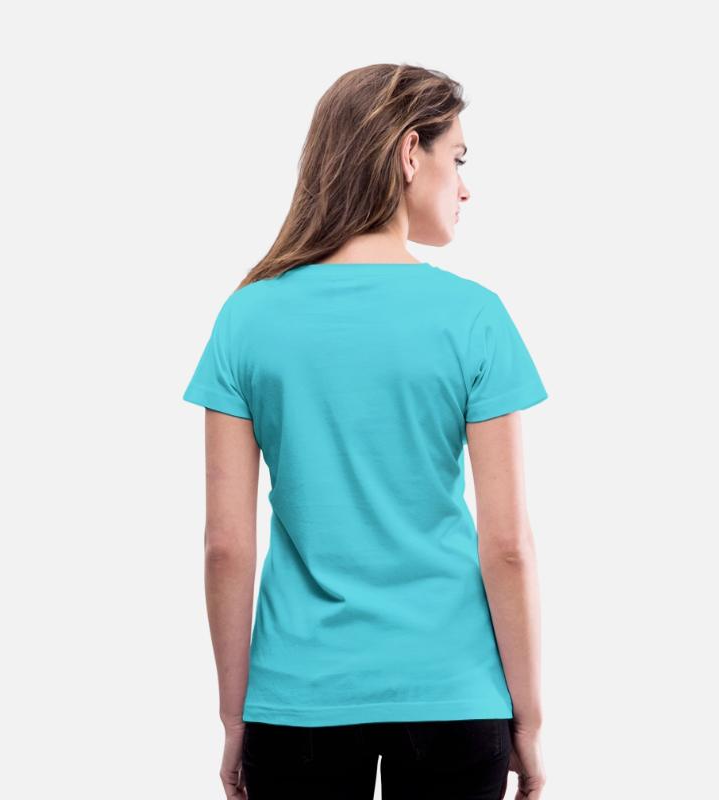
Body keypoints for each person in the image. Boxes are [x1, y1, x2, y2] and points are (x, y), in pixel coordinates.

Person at [183, 63, 548, 800]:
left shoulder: (247, 316)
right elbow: (507, 545)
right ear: (411, 152)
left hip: (298, 701)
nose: (465, 188)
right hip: (453, 694)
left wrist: (234, 716)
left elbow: (226, 545)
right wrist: (529, 719)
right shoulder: (474, 317)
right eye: (458, 159)